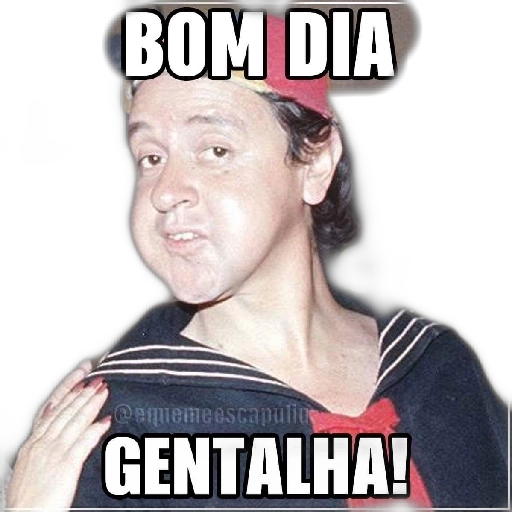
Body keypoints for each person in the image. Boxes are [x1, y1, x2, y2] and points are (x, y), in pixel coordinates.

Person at [6, 7, 509, 510]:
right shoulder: (117, 431)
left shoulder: (436, 364)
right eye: (152, 157)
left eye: (215, 150)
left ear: (315, 163)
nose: (165, 191)